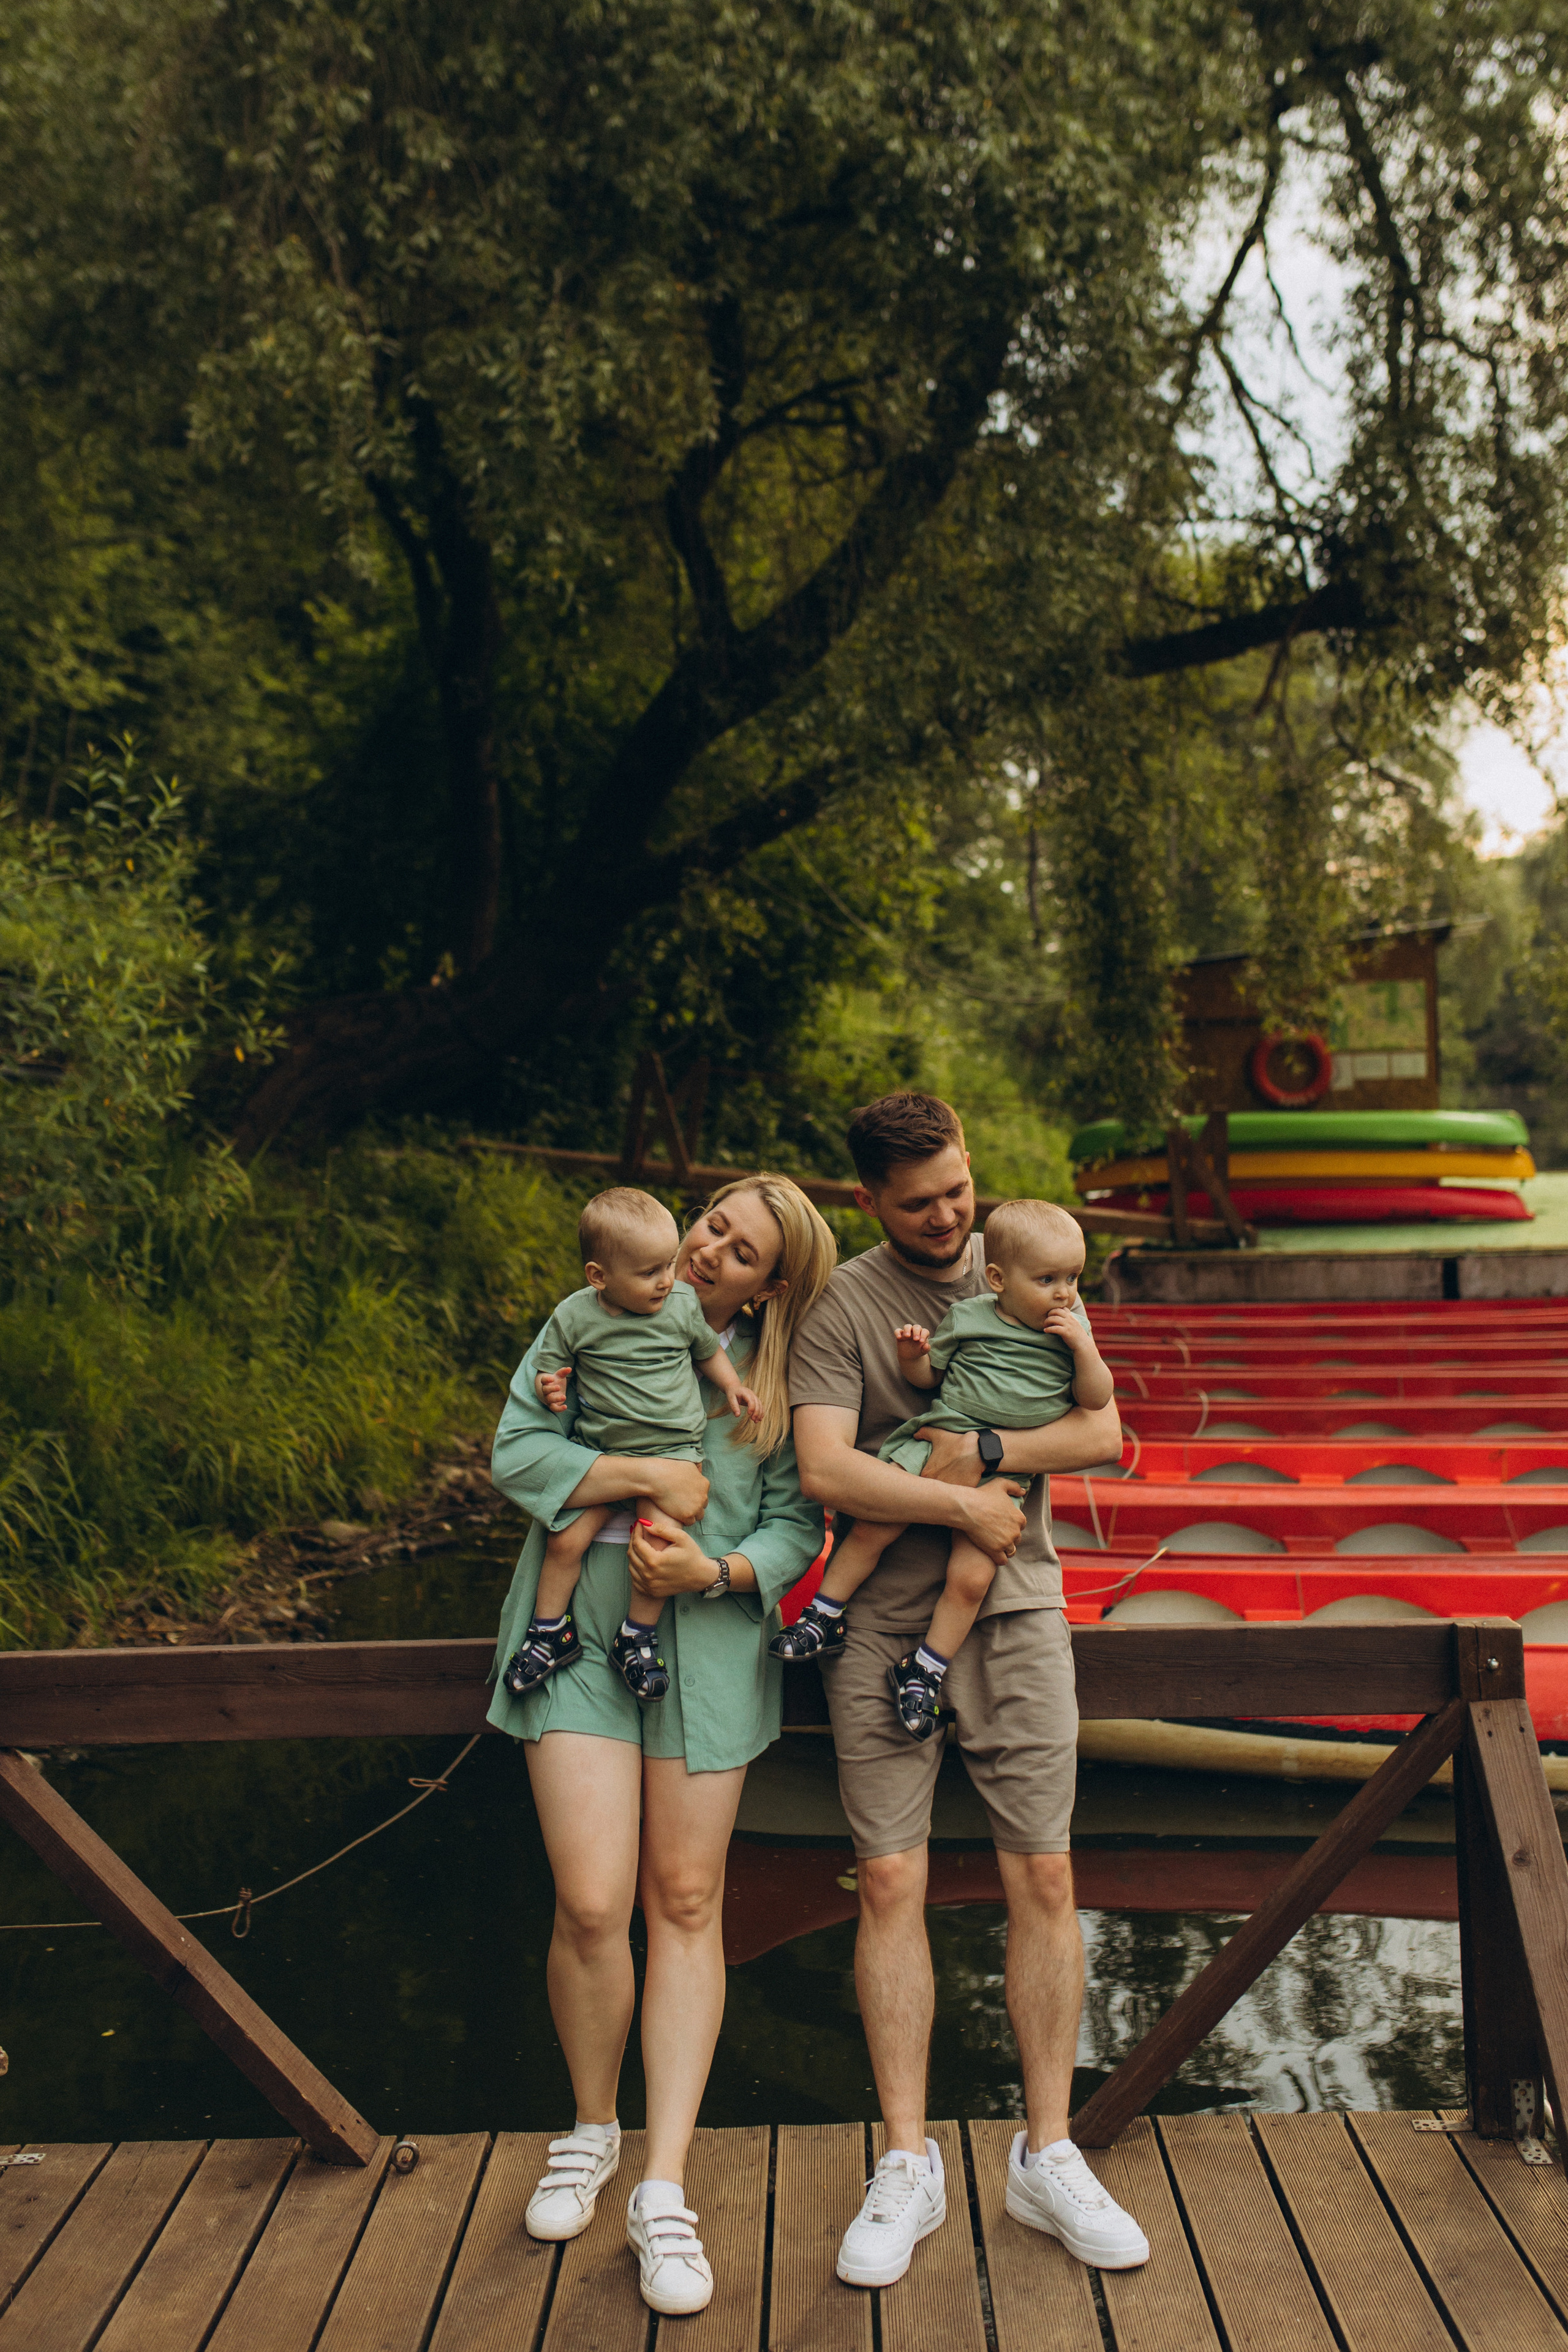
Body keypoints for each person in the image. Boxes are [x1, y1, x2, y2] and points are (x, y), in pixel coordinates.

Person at [788, 1091, 1150, 2286]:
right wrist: (953, 1497)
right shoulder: (845, 1304)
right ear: (867, 1204)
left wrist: (986, 1454)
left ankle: (1044, 2152)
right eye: (918, 1202)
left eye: (956, 1188)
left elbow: (1105, 1438)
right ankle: (905, 2161)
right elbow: (826, 1464)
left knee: (1041, 1873)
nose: (945, 1214)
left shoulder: (1035, 1268)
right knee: (887, 1876)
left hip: (1020, 1606)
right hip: (882, 1620)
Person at [488, 1174, 837, 2317]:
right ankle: (590, 2130)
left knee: (685, 1904)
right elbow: (519, 1447)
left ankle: (663, 2184)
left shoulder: (778, 1378)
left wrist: (719, 1571)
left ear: (770, 1285)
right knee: (592, 1901)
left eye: (739, 1252)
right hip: (577, 1638)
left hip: (710, 1652)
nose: (709, 1251)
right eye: (711, 1225)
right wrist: (643, 1476)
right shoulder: (584, 1314)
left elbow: (798, 1521)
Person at [772, 1196, 1112, 1740]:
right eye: (1050, 1279)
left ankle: (925, 1668)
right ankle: (823, 1613)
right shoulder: (971, 1317)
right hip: (935, 1437)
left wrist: (1085, 1350)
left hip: (1004, 1476)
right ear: (997, 1278)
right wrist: (912, 1356)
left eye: (1074, 1277)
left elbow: (1098, 1407)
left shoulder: (1067, 1327)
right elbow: (929, 1377)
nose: (1065, 1292)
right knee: (877, 1525)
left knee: (972, 1578)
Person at [501, 1187, 760, 1703]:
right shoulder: (575, 1316)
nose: (668, 1279)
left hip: (673, 1452)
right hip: (602, 1450)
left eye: (668, 1264)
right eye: (650, 1273)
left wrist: (732, 1384)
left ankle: (636, 1637)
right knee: (565, 1542)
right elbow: (551, 1365)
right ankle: (550, 1631)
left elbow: (707, 1351)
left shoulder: (680, 1304)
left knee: (656, 1547)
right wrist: (550, 1386)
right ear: (600, 1277)